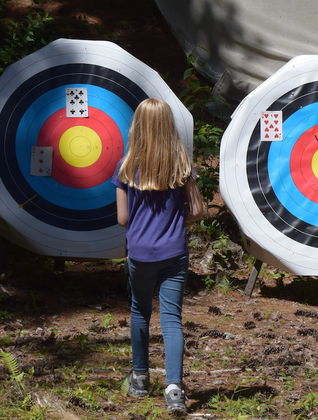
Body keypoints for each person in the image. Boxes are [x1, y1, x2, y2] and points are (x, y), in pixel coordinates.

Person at [115, 98, 205, 415]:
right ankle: (174, 389)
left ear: (137, 126)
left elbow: (123, 219)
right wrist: (176, 221)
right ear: (169, 126)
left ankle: (140, 379)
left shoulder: (126, 167)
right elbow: (198, 210)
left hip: (140, 254)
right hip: (174, 254)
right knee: (171, 319)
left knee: (140, 312)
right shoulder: (181, 165)